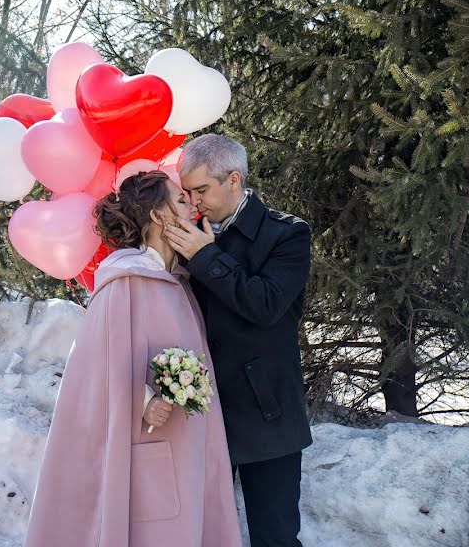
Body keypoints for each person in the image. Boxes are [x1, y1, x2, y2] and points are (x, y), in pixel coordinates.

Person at [23, 170, 242, 547]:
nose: (191, 206)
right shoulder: (124, 281)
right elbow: (96, 366)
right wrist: (145, 401)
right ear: (158, 216)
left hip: (188, 443)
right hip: (149, 441)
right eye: (179, 200)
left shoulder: (179, 282)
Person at [165, 134, 312, 547]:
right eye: (187, 192)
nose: (193, 202)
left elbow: (266, 304)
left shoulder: (288, 234)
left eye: (201, 190)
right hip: (202, 409)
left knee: (275, 536)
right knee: (203, 533)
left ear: (233, 180)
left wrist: (206, 257)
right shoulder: (188, 232)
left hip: (268, 412)